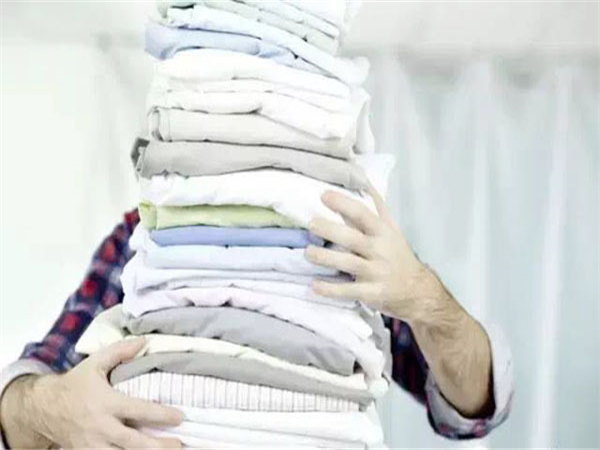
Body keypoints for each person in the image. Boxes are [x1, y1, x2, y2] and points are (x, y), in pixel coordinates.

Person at [0, 185, 513, 448]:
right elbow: (20, 400)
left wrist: (421, 295)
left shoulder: (342, 238)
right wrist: (52, 405)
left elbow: (472, 408)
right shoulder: (147, 241)